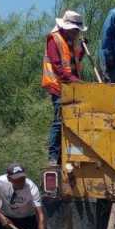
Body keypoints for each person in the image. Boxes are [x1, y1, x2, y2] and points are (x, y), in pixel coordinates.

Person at [42, 10, 86, 166]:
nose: (76, 33)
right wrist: (74, 80)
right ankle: (53, 157)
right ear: (66, 27)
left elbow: (73, 61)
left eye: (77, 31)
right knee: (59, 121)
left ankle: (71, 153)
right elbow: (58, 66)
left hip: (70, 86)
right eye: (75, 30)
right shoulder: (54, 39)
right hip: (57, 85)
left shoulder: (72, 41)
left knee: (75, 120)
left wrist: (82, 52)